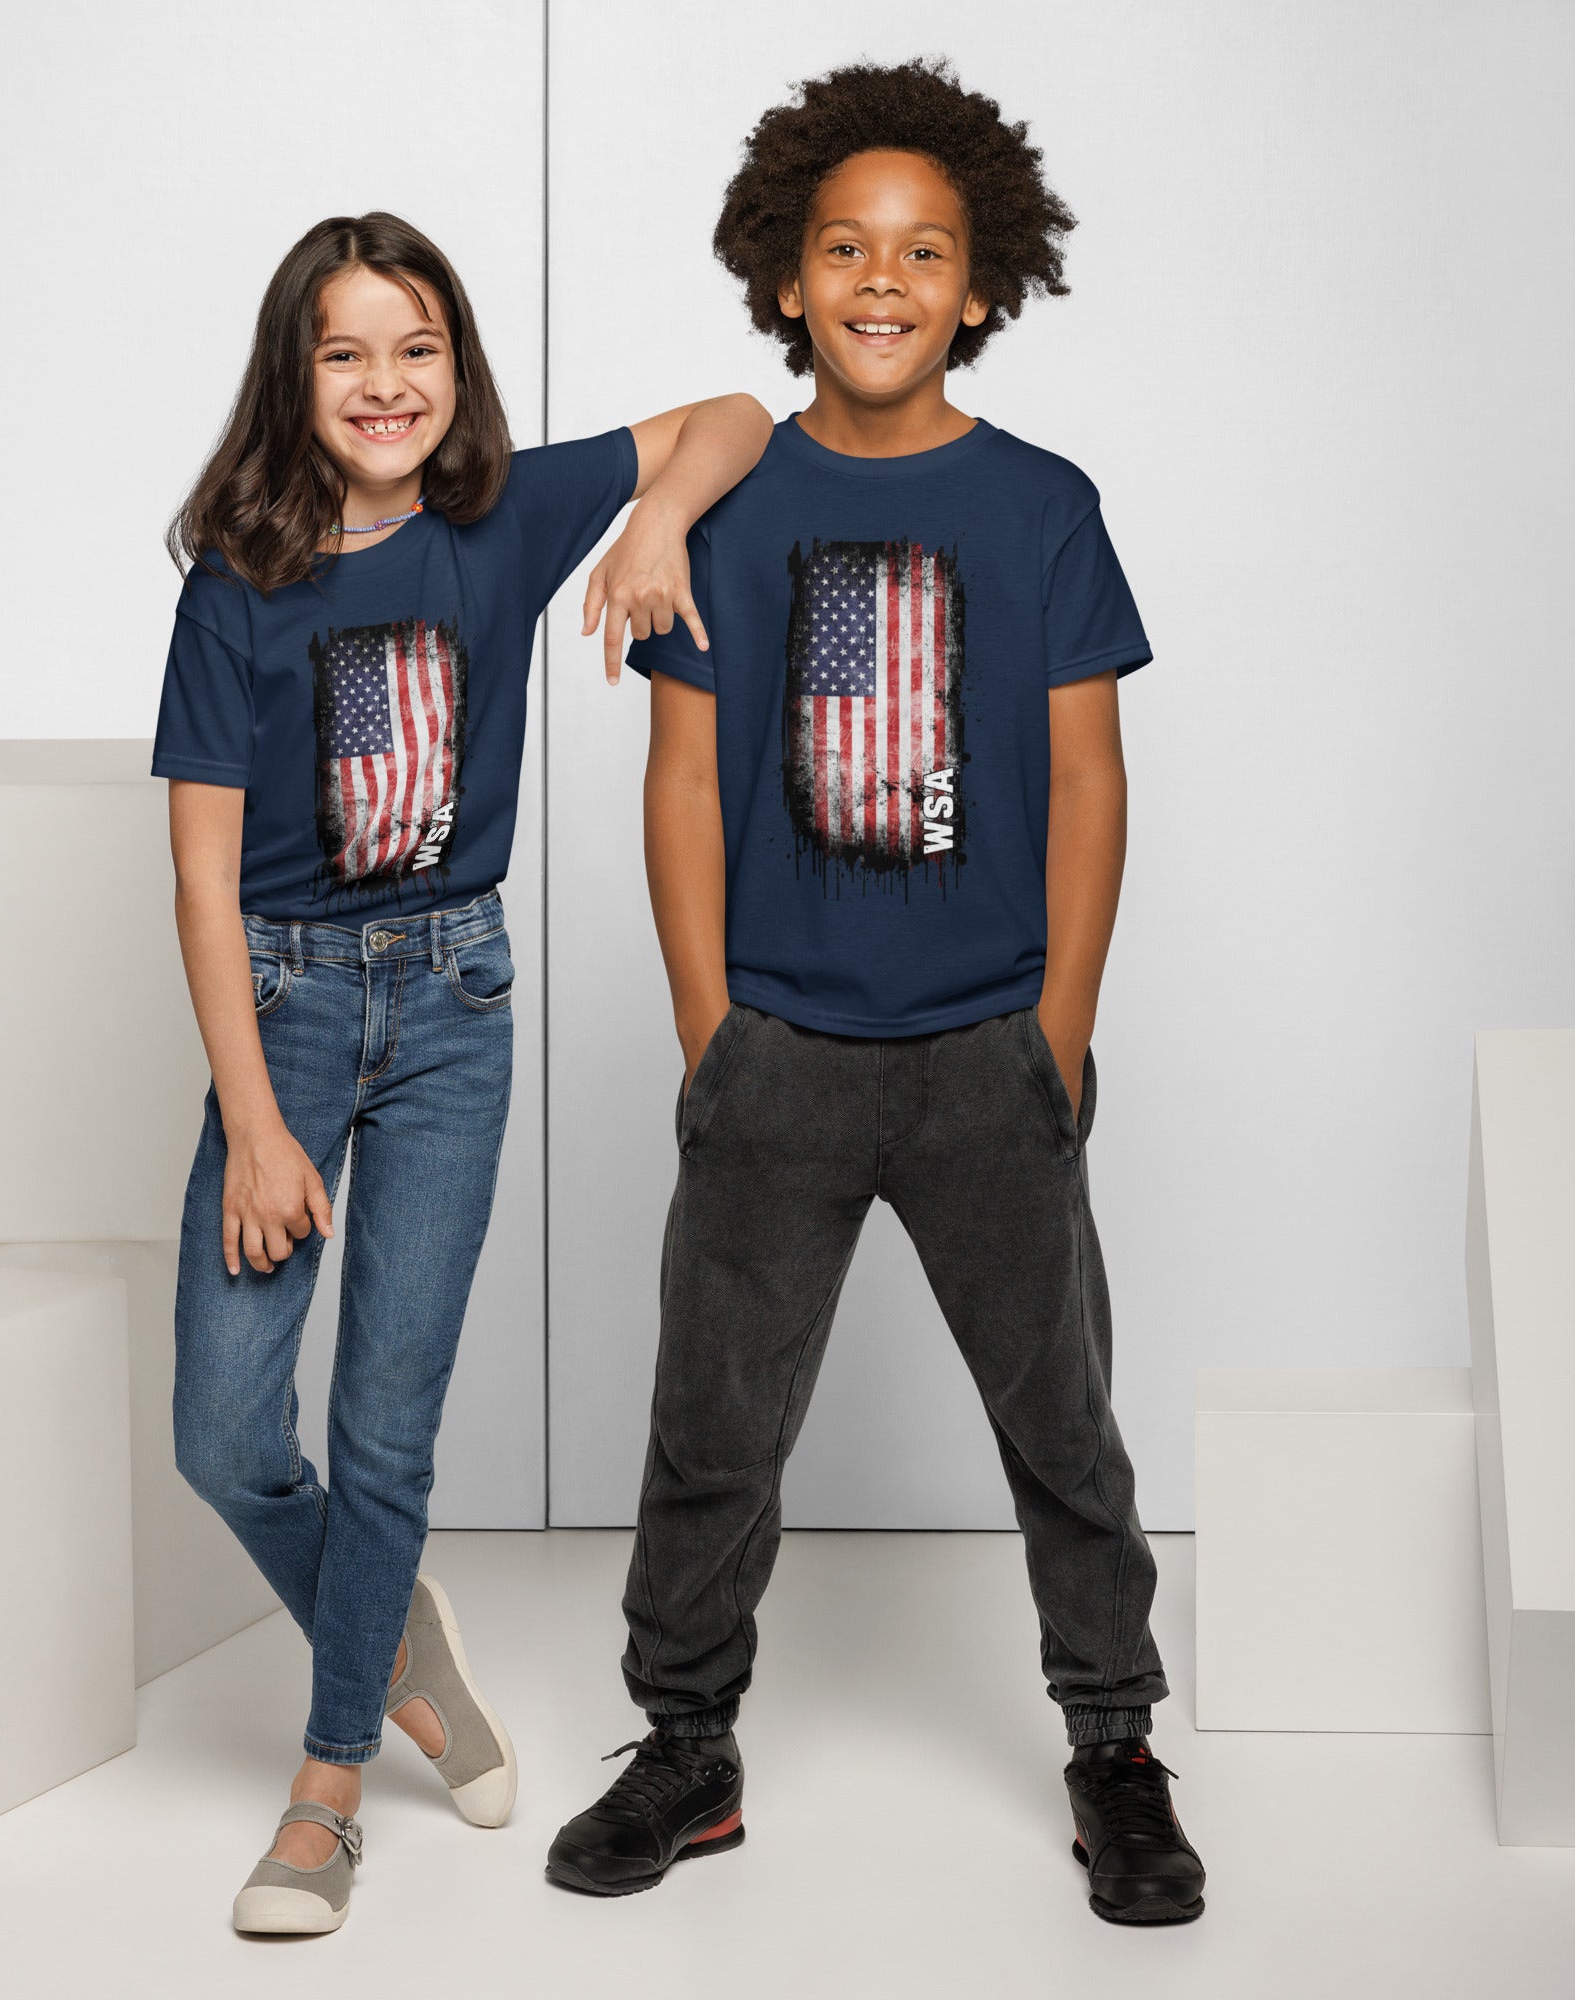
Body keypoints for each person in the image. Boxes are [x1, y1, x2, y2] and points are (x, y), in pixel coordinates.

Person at [545, 62, 1206, 1926]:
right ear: (785, 279)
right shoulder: (727, 506)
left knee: (1063, 1423)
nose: (884, 278)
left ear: (982, 285)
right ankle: (687, 1747)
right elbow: (681, 779)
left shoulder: (1044, 504)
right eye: (845, 248)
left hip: (993, 1045)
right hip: (782, 1056)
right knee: (714, 1425)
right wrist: (709, 1027)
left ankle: (1116, 1747)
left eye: (926, 251)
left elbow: (1088, 775)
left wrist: (1059, 1026)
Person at [155, 210, 770, 1937]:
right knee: (222, 1425)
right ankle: (398, 1626)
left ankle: (329, 1787)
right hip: (277, 1003)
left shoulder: (504, 517)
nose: (385, 383)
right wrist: (259, 1126)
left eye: (415, 347)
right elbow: (202, 873)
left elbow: (734, 416)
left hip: (451, 1005)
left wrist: (655, 516)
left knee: (385, 1424)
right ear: (296, 373)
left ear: (458, 364)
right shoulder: (240, 578)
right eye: (345, 351)